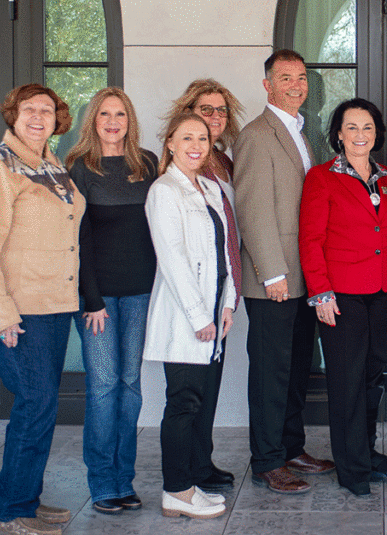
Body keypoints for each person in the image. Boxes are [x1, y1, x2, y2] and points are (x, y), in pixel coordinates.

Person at [0, 83, 80, 535]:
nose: (38, 117)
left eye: (47, 110)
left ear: (58, 119)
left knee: (42, 406)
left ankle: (26, 499)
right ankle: (10, 511)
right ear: (13, 115)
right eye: (29, 109)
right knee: (35, 405)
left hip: (53, 305)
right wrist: (2, 312)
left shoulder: (52, 164)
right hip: (18, 308)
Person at [298, 98, 387, 496]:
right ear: (339, 134)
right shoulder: (321, 177)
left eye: (367, 127)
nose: (360, 135)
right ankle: (352, 470)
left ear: (376, 133)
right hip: (341, 294)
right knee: (347, 382)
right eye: (352, 127)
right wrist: (320, 293)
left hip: (383, 291)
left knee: (371, 377)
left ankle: (363, 454)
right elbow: (310, 240)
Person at [233, 49, 334, 495]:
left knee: (295, 370)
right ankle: (267, 461)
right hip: (274, 280)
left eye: (301, 77)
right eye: (285, 78)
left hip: (302, 278)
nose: (296, 85)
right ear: (267, 85)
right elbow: (252, 209)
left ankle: (292, 448)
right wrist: (273, 273)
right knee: (271, 374)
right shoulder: (257, 135)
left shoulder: (299, 132)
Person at [65, 87, 158, 515]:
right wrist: (92, 299)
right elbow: (76, 240)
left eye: (120, 113)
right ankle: (102, 483)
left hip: (141, 292)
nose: (113, 121)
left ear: (129, 119)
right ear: (93, 120)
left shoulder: (148, 164)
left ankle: (124, 480)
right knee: (103, 388)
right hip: (97, 300)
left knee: (130, 387)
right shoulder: (78, 168)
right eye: (105, 113)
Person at [143, 112, 235, 519]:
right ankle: (176, 490)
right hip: (186, 319)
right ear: (170, 144)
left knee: (196, 402)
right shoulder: (165, 191)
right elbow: (174, 261)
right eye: (187, 139)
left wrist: (228, 302)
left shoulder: (208, 189)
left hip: (215, 313)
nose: (196, 145)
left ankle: (187, 484)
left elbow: (226, 252)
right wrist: (201, 318)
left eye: (202, 138)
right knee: (183, 403)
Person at [164, 78, 245, 494]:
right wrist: (201, 310)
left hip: (221, 292)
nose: (214, 118)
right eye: (205, 110)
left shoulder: (223, 165)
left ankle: (201, 462)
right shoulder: (173, 178)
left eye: (220, 112)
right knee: (187, 394)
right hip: (192, 299)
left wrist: (228, 298)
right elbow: (174, 252)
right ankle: (183, 480)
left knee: (208, 386)